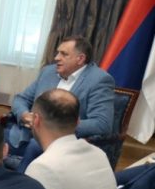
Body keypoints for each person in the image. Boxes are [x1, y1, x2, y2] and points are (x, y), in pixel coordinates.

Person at [6, 36, 115, 171]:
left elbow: (102, 123)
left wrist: (54, 127)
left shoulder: (99, 80)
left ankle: (21, 181)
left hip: (62, 142)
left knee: (34, 146)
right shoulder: (48, 72)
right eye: (58, 53)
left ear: (80, 59)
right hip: (26, 133)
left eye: (64, 54)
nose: (57, 58)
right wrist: (24, 115)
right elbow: (21, 99)